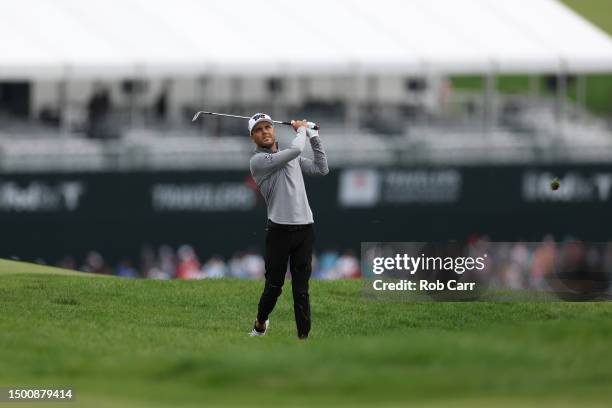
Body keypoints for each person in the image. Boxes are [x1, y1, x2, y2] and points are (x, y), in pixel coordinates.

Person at [247, 113, 329, 339]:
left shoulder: (290, 156)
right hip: (279, 231)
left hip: (304, 229)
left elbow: (322, 169)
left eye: (267, 127)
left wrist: (314, 136)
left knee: (301, 290)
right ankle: (260, 323)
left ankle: (303, 340)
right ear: (252, 137)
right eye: (258, 130)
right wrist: (302, 129)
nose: (264, 132)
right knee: (274, 286)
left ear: (273, 130)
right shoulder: (258, 162)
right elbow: (294, 151)